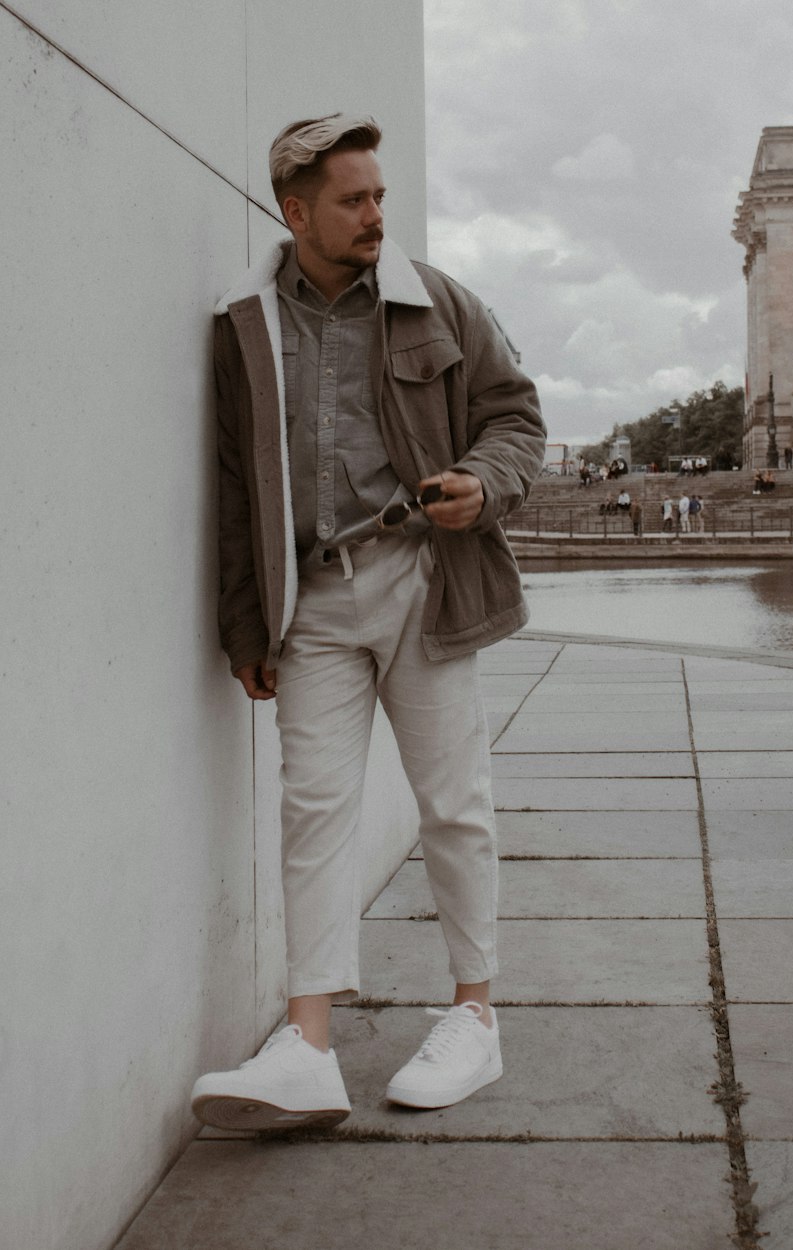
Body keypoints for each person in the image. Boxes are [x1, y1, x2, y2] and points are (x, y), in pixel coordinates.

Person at [189, 114, 545, 1131]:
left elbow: (516, 415)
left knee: (452, 802)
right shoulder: (242, 325)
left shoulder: (436, 299)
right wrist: (243, 624)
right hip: (311, 599)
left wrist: (483, 480)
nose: (376, 214)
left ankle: (474, 1016)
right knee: (313, 811)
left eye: (380, 195)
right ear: (294, 212)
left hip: (424, 582)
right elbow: (230, 484)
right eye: (353, 200)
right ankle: (306, 1044)